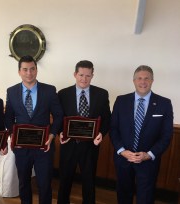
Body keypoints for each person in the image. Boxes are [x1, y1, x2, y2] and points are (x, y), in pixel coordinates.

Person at [110, 65, 173, 204]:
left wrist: (149, 154)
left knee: (145, 198)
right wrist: (122, 151)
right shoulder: (121, 101)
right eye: (139, 78)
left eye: (146, 78)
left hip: (148, 161)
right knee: (123, 195)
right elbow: (113, 129)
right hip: (124, 159)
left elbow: (166, 135)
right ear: (134, 81)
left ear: (152, 81)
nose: (143, 82)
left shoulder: (164, 103)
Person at [5, 55, 63, 204]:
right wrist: (12, 136)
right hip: (21, 148)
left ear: (36, 70)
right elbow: (8, 118)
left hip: (44, 147)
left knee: (44, 184)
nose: (29, 73)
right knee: (23, 183)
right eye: (25, 69)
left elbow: (58, 116)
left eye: (32, 69)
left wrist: (51, 136)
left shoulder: (49, 91)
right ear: (19, 72)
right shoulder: (11, 91)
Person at [57, 60, 111, 204]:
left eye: (88, 75)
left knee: (89, 182)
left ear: (92, 75)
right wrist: (60, 132)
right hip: (69, 145)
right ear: (75, 74)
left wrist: (101, 134)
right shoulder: (63, 94)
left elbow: (107, 119)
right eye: (81, 75)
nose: (84, 79)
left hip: (90, 147)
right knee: (64, 182)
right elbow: (59, 118)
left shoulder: (101, 94)